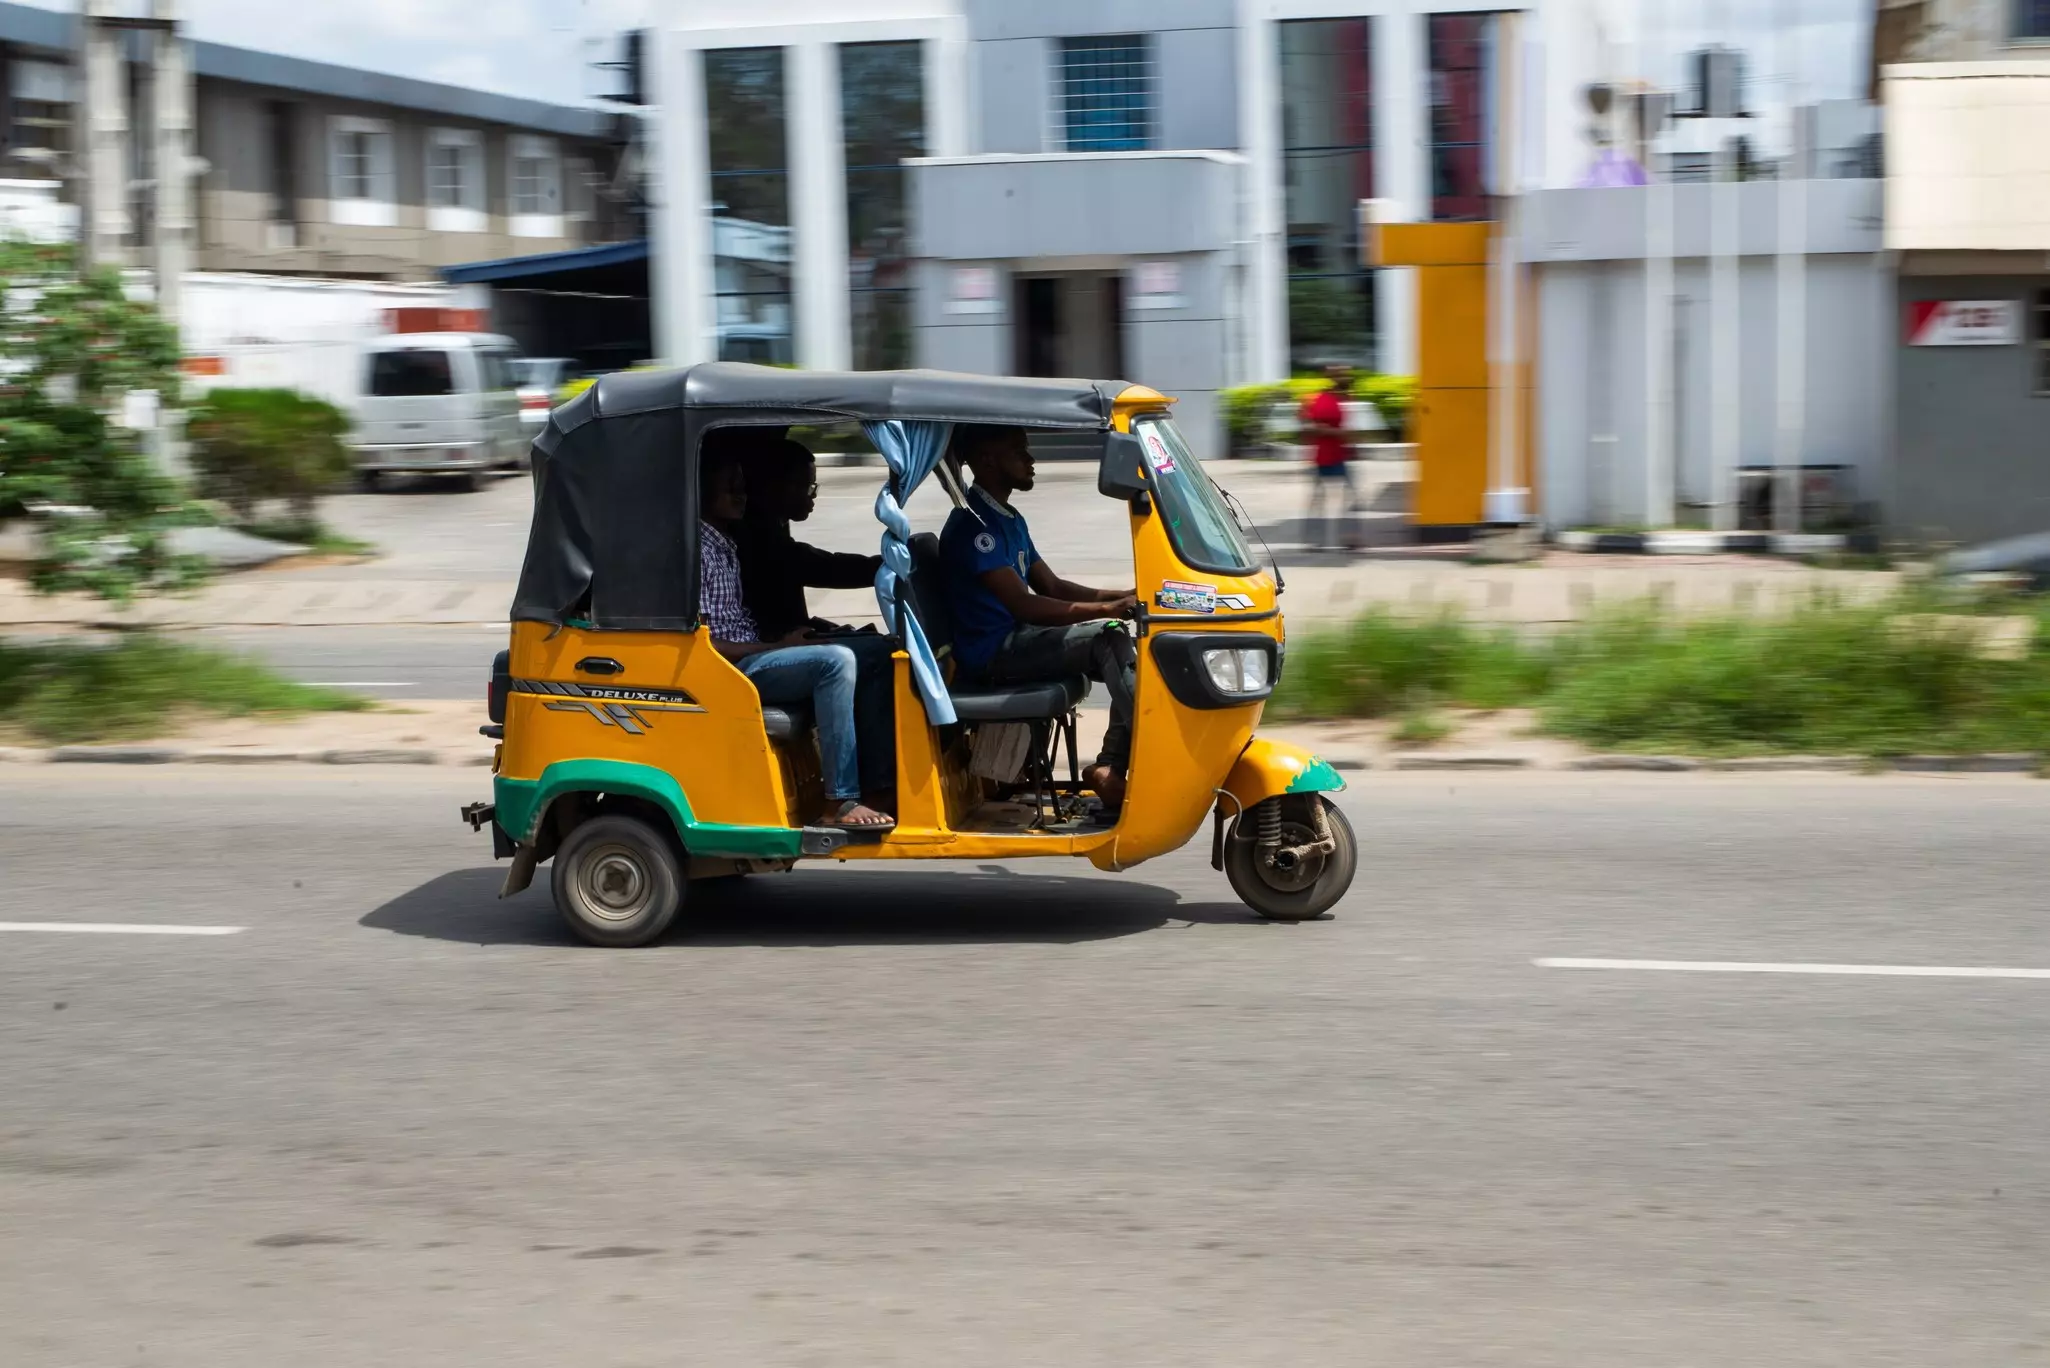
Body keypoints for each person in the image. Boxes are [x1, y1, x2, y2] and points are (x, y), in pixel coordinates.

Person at [938, 424, 1140, 813]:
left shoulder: (1008, 518)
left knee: (1132, 646)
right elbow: (1024, 606)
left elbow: (1053, 585)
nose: (1031, 460)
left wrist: (1126, 595)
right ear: (987, 461)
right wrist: (1104, 612)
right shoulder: (972, 526)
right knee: (1108, 638)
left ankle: (1110, 768)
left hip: (1018, 641)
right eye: (1019, 451)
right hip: (994, 653)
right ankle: (1143, 754)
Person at [698, 445, 893, 831]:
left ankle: (881, 785)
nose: (742, 495)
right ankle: (839, 800)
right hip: (730, 670)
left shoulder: (726, 544)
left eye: (743, 486)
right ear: (702, 490)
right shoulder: (696, 550)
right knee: (835, 662)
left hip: (755, 653)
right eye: (731, 487)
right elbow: (701, 642)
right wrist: (779, 648)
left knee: (878, 651)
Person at [1298, 363, 1358, 552]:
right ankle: (1315, 540)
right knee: (1320, 498)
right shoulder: (1322, 399)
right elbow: (1311, 426)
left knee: (1350, 497)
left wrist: (1350, 443)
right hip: (1323, 456)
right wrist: (1336, 433)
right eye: (1343, 376)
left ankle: (1349, 537)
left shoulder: (1343, 399)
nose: (1347, 379)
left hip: (1340, 455)